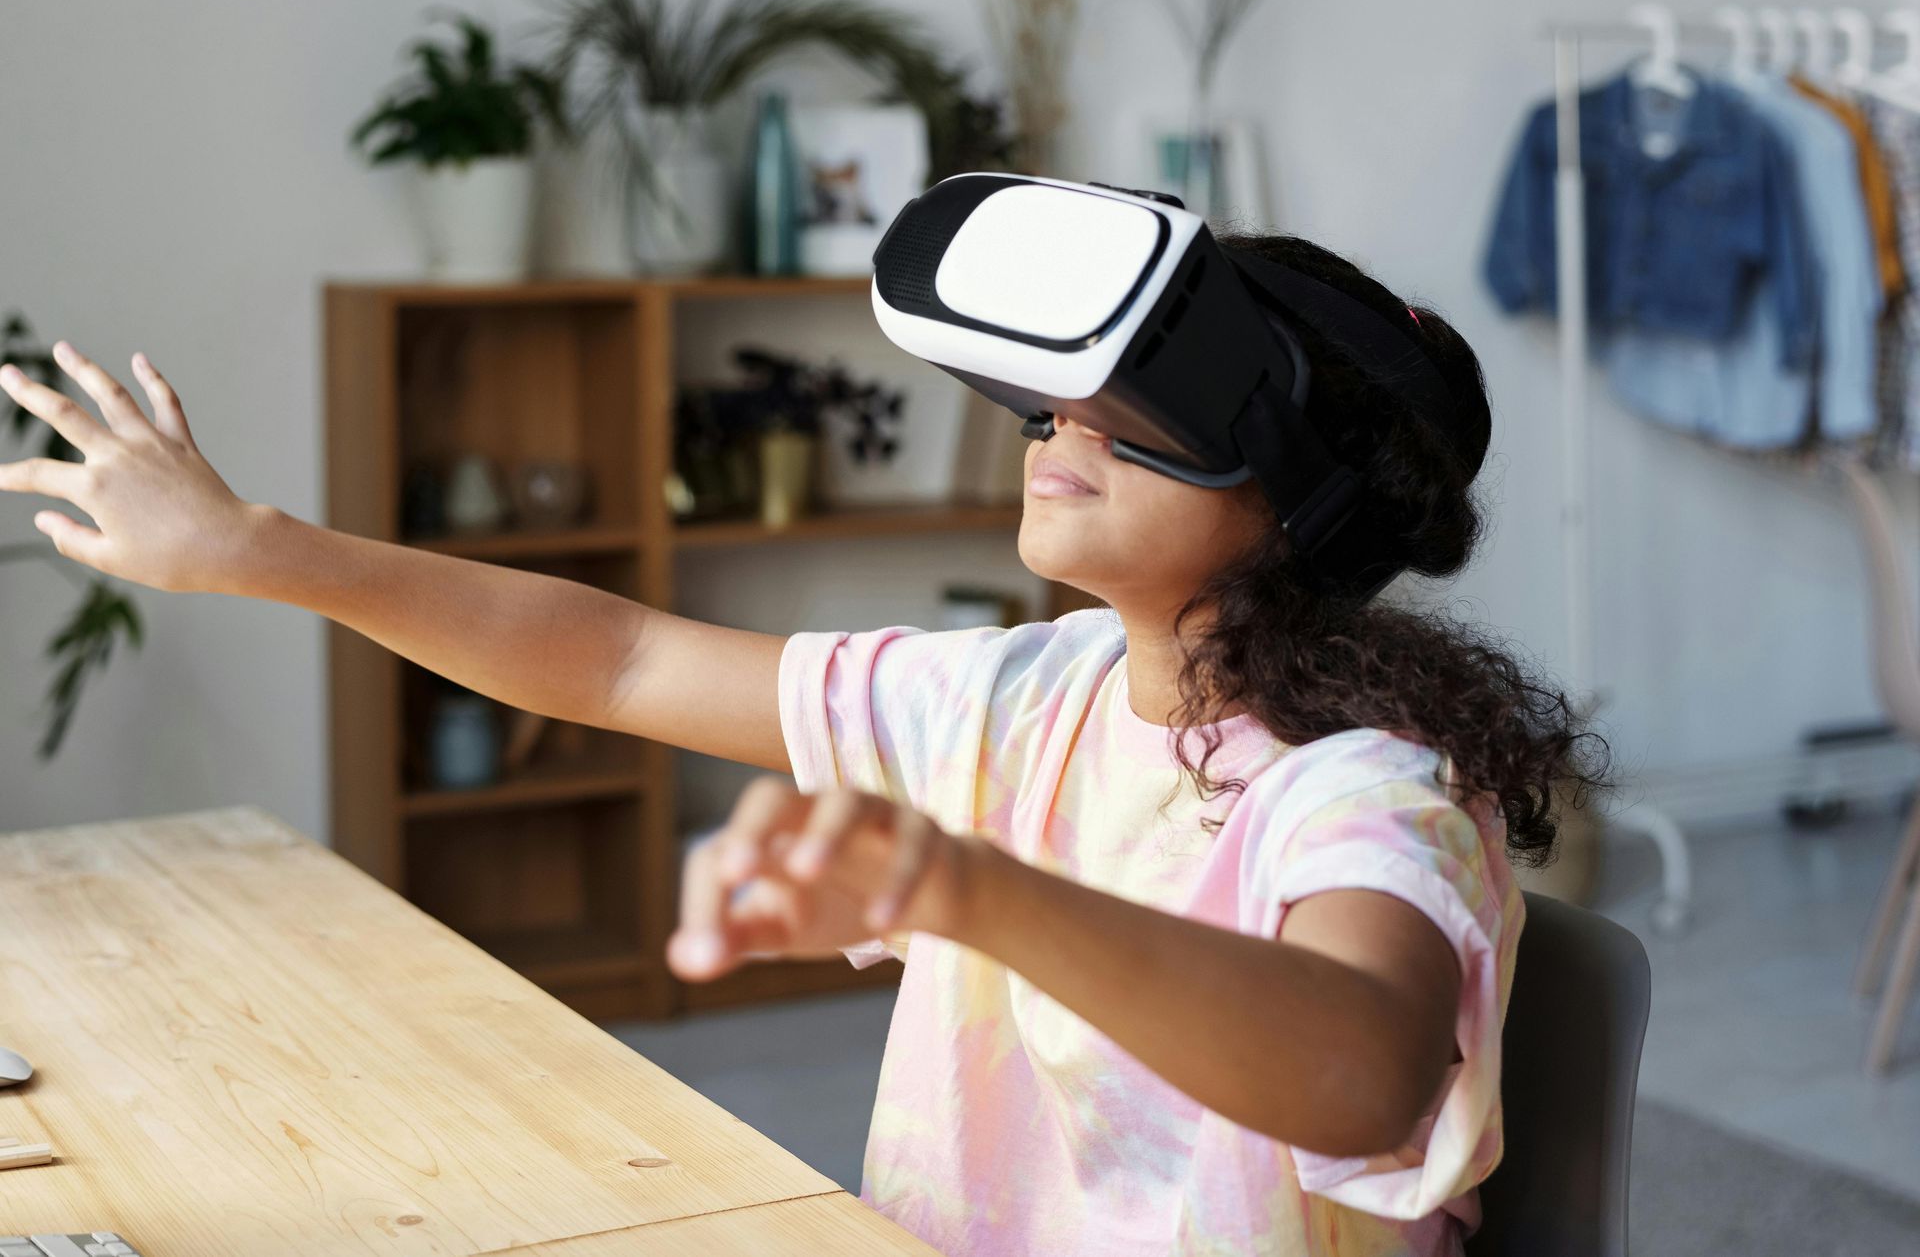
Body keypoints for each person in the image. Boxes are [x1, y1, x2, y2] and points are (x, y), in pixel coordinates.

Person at [0, 233, 1607, 1257]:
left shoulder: (1370, 790)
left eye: (1139, 407)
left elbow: (1357, 1072)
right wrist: (260, 550)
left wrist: (968, 888)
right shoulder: (1020, 696)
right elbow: (622, 654)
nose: (1065, 421)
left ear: (1302, 497)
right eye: (1063, 397)